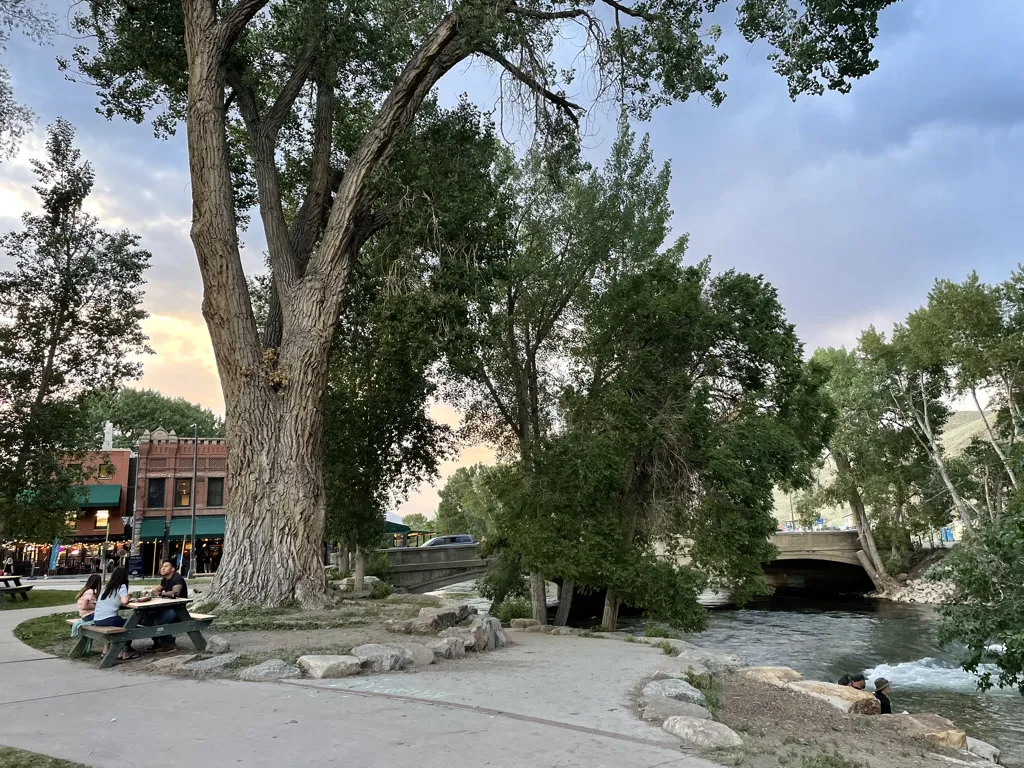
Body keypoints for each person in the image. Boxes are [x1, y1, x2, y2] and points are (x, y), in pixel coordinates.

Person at [93, 567, 139, 661]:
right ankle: (125, 652)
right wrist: (128, 597)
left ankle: (105, 651)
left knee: (120, 623)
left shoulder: (106, 588)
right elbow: (124, 601)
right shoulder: (121, 586)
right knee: (130, 624)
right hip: (108, 619)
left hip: (98, 619)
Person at [146, 559, 189, 652]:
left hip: (178, 609)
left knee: (159, 622)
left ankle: (170, 643)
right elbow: (157, 590)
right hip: (167, 607)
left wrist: (160, 593)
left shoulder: (177, 578)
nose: (163, 568)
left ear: (172, 569)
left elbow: (175, 593)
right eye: (162, 566)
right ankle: (159, 643)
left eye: (166, 566)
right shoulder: (165, 579)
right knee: (148, 618)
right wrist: (152, 591)